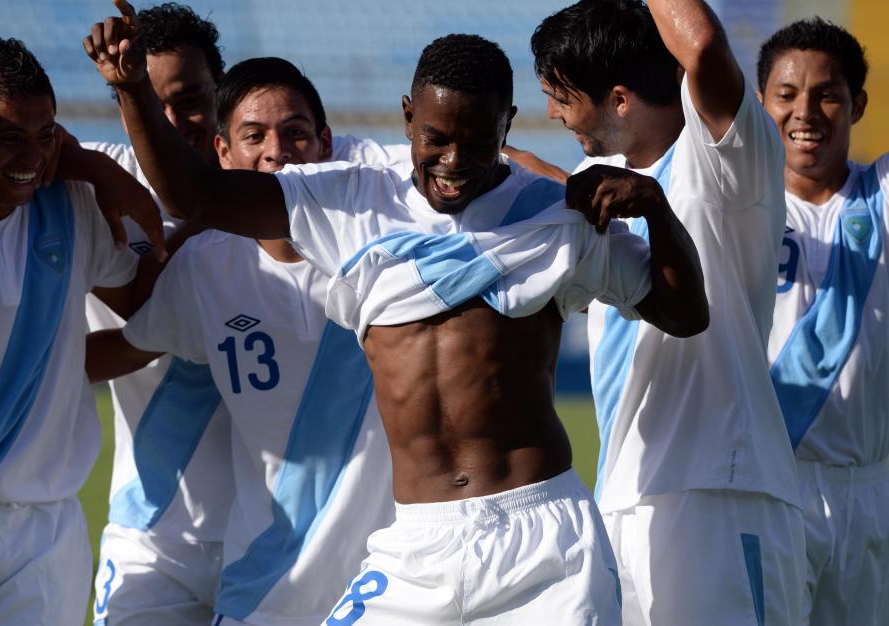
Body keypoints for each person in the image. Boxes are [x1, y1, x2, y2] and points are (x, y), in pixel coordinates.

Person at [85, 3, 708, 621]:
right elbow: (196, 192)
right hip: (415, 546)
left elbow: (685, 314)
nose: (454, 162)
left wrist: (655, 208)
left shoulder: (560, 217)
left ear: (507, 125)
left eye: (476, 141)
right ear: (409, 118)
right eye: (435, 139)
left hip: (544, 538)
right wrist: (133, 86)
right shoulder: (350, 201)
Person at [87, 55, 403, 626]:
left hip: (385, 581)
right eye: (253, 136)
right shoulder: (202, 268)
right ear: (222, 153)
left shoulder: (390, 249)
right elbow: (133, 342)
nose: (276, 149)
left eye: (296, 133)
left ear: (326, 143)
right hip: (261, 584)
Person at [530, 1, 804, 624]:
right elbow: (534, 179)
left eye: (562, 97)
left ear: (620, 99)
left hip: (719, 492)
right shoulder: (596, 177)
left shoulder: (724, 158)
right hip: (622, 497)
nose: (552, 113)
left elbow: (703, 46)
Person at [0, 37, 163, 625]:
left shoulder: (68, 207)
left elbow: (154, 307)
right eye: (11, 138)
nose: (34, 157)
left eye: (47, 136)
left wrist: (99, 172)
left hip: (48, 532)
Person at [82, 6, 234, 625]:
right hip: (150, 540)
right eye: (148, 96)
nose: (173, 120)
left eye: (192, 99)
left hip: (278, 536)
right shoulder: (89, 187)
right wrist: (85, 164)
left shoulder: (280, 194)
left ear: (223, 95)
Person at [758, 18, 889, 625]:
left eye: (826, 94)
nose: (804, 111)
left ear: (857, 104)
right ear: (762, 102)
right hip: (769, 486)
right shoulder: (737, 205)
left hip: (871, 489)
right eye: (786, 94)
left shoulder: (881, 195)